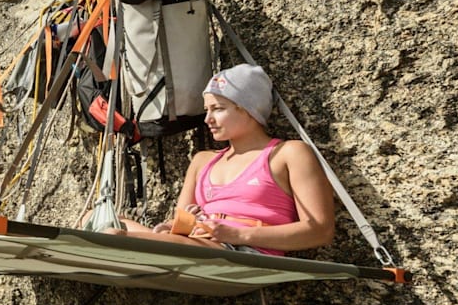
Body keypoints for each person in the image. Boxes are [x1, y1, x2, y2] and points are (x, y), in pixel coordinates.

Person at [108, 64, 335, 255]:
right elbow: (180, 221)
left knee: (114, 237)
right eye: (207, 110)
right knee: (106, 221)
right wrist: (170, 227)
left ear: (249, 109)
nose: (208, 119)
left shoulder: (288, 153)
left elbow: (320, 231)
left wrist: (235, 234)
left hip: (242, 250)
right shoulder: (202, 161)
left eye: (218, 109)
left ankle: (124, 243)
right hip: (197, 244)